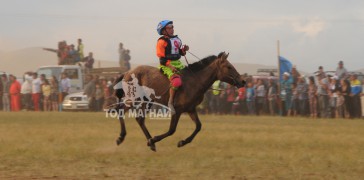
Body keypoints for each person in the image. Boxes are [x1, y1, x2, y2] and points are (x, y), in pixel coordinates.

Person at [156, 20, 189, 114]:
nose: (172, 29)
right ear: (163, 31)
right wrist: (170, 66)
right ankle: (170, 102)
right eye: (169, 27)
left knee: (190, 76)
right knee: (177, 82)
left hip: (177, 63)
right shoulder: (161, 42)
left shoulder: (176, 39)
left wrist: (184, 50)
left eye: (172, 27)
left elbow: (179, 53)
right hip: (166, 65)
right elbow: (162, 59)